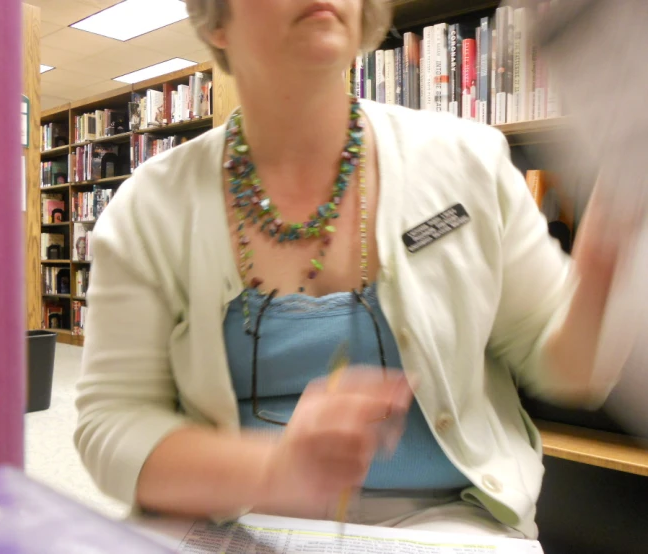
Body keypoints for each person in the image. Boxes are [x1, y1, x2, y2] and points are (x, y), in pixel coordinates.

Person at [74, 0, 622, 540]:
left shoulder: (468, 160)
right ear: (217, 21)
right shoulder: (150, 205)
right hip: (228, 519)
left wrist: (600, 268)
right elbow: (111, 425)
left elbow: (568, 371)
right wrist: (274, 470)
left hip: (448, 523)